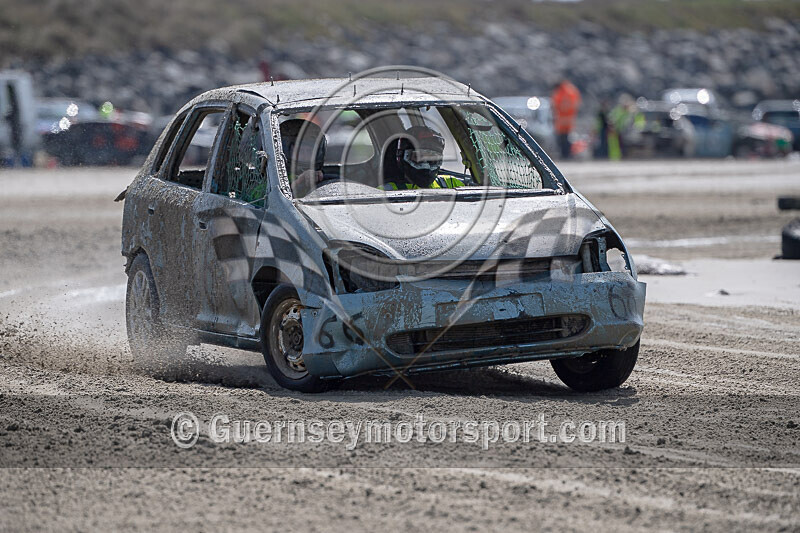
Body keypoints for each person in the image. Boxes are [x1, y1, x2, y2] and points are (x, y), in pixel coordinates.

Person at [380, 125, 464, 190]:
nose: (426, 165)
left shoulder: (452, 184)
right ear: (403, 157)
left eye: (432, 159)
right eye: (419, 157)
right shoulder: (385, 193)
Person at [280, 118, 327, 197]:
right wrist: (298, 183)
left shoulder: (322, 176)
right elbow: (259, 199)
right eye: (300, 151)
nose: (305, 155)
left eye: (309, 151)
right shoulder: (272, 179)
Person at [551, 77, 582, 159]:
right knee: (567, 138)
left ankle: (565, 154)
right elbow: (576, 103)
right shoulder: (571, 90)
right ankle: (567, 154)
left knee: (562, 138)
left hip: (561, 119)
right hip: (569, 118)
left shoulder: (560, 92)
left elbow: (555, 105)